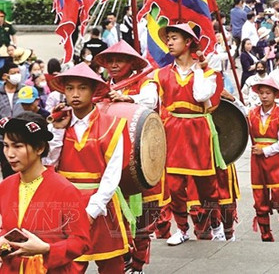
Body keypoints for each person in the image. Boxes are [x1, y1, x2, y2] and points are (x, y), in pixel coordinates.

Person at [45, 63, 132, 272]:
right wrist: (56, 131)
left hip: (101, 202)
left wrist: (93, 210)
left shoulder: (113, 125)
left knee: (112, 266)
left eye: (82, 88)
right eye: (70, 88)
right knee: (67, 266)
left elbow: (112, 175)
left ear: (93, 91)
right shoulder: (58, 125)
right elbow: (49, 163)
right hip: (66, 204)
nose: (75, 94)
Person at [93, 41, 164, 274]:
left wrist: (128, 99)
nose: (113, 65)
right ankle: (122, 259)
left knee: (144, 218)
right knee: (116, 217)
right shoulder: (100, 87)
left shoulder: (145, 82)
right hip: (112, 160)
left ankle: (138, 264)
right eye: (110, 61)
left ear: (132, 63)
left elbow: (150, 101)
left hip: (141, 159)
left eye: (119, 60)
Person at [150, 23, 222, 246]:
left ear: (188, 42)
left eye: (174, 38)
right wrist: (125, 98)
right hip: (172, 130)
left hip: (197, 130)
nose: (169, 43)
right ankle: (182, 228)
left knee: (207, 187)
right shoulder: (160, 74)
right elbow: (148, 101)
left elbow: (201, 95)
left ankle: (216, 224)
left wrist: (200, 69)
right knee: (174, 186)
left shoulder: (206, 72)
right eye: (168, 39)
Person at [0, 112, 91, 273]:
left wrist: (47, 248)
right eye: (6, 145)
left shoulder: (65, 190)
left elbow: (81, 241)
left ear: (40, 148)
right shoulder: (6, 186)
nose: (10, 154)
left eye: (18, 146)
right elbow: (8, 227)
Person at [247, 77, 279, 242]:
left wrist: (265, 150)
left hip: (276, 162)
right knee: (259, 198)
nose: (264, 96)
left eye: (268, 93)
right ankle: (265, 234)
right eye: (261, 93)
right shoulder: (252, 114)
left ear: (275, 95)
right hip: (257, 162)